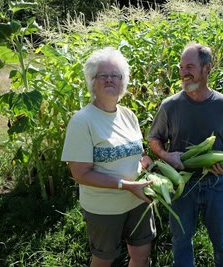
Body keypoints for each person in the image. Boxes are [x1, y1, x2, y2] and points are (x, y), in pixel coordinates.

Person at [148, 43, 223, 267]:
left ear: (207, 69)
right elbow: (154, 140)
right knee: (181, 242)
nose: (183, 73)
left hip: (217, 183)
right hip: (181, 184)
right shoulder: (169, 106)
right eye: (181, 67)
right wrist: (167, 156)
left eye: (189, 66)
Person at [61, 47, 156, 267]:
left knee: (141, 255)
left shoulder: (128, 115)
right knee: (105, 260)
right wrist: (126, 185)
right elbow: (80, 174)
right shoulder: (82, 121)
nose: (110, 80)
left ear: (123, 82)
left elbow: (138, 153)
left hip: (138, 201)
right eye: (103, 76)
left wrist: (150, 166)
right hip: (104, 208)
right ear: (92, 82)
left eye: (116, 75)